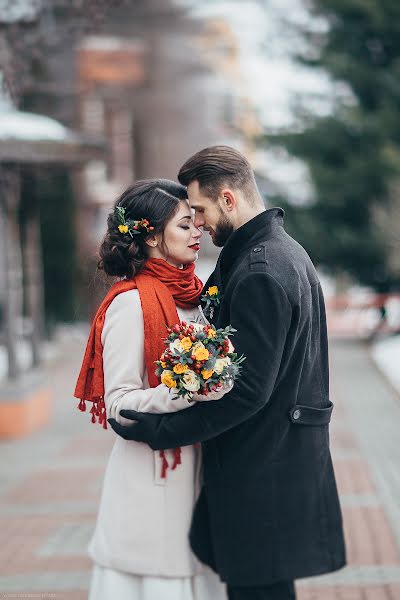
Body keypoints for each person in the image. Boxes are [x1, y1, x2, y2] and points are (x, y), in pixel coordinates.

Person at [108, 146, 347, 600]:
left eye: (199, 210)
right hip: (275, 461)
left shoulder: (260, 269)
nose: (197, 222)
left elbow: (248, 390)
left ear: (228, 199)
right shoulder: (277, 252)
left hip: (262, 468)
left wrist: (166, 430)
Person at [74, 179, 228, 600]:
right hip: (151, 475)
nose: (198, 231)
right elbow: (118, 405)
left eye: (197, 222)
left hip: (199, 468)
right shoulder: (129, 303)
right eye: (185, 225)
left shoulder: (197, 297)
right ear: (154, 236)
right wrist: (189, 388)